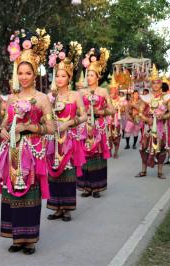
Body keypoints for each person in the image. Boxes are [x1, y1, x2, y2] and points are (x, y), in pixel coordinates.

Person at [0, 28, 54, 255]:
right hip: (11, 151)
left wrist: (29, 127)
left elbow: (51, 128)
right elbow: (3, 123)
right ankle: (15, 236)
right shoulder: (12, 98)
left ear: (35, 74)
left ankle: (29, 239)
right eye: (20, 73)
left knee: (30, 194)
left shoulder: (42, 99)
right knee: (10, 193)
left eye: (28, 73)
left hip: (32, 152)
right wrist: (3, 131)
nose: (23, 77)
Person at [46, 41, 87, 222]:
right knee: (53, 172)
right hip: (53, 138)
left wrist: (70, 122)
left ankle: (67, 208)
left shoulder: (75, 96)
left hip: (69, 137)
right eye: (57, 75)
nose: (59, 78)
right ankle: (56, 207)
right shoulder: (52, 96)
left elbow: (84, 116)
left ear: (69, 77)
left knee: (67, 173)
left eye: (63, 75)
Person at [77, 48, 114, 198]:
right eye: (88, 75)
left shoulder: (103, 91)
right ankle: (86, 186)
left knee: (97, 156)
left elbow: (111, 110)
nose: (89, 77)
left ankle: (97, 187)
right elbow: (77, 111)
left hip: (98, 126)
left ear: (98, 76)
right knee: (85, 155)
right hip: (85, 126)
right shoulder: (81, 92)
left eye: (92, 75)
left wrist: (100, 112)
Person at [135, 65, 170, 179]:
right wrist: (147, 119)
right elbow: (139, 113)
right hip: (148, 127)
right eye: (153, 83)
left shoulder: (166, 97)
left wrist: (163, 116)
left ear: (161, 84)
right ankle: (143, 170)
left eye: (157, 83)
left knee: (162, 147)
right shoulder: (145, 97)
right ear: (151, 84)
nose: (155, 85)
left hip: (161, 127)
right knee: (144, 147)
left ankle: (160, 172)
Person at [108, 78, 123, 158]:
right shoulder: (107, 99)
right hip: (109, 121)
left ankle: (116, 152)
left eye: (115, 90)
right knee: (109, 137)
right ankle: (110, 150)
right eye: (112, 90)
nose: (113, 91)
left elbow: (124, 110)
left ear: (117, 91)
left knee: (117, 137)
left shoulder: (121, 99)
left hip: (117, 121)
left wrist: (119, 109)